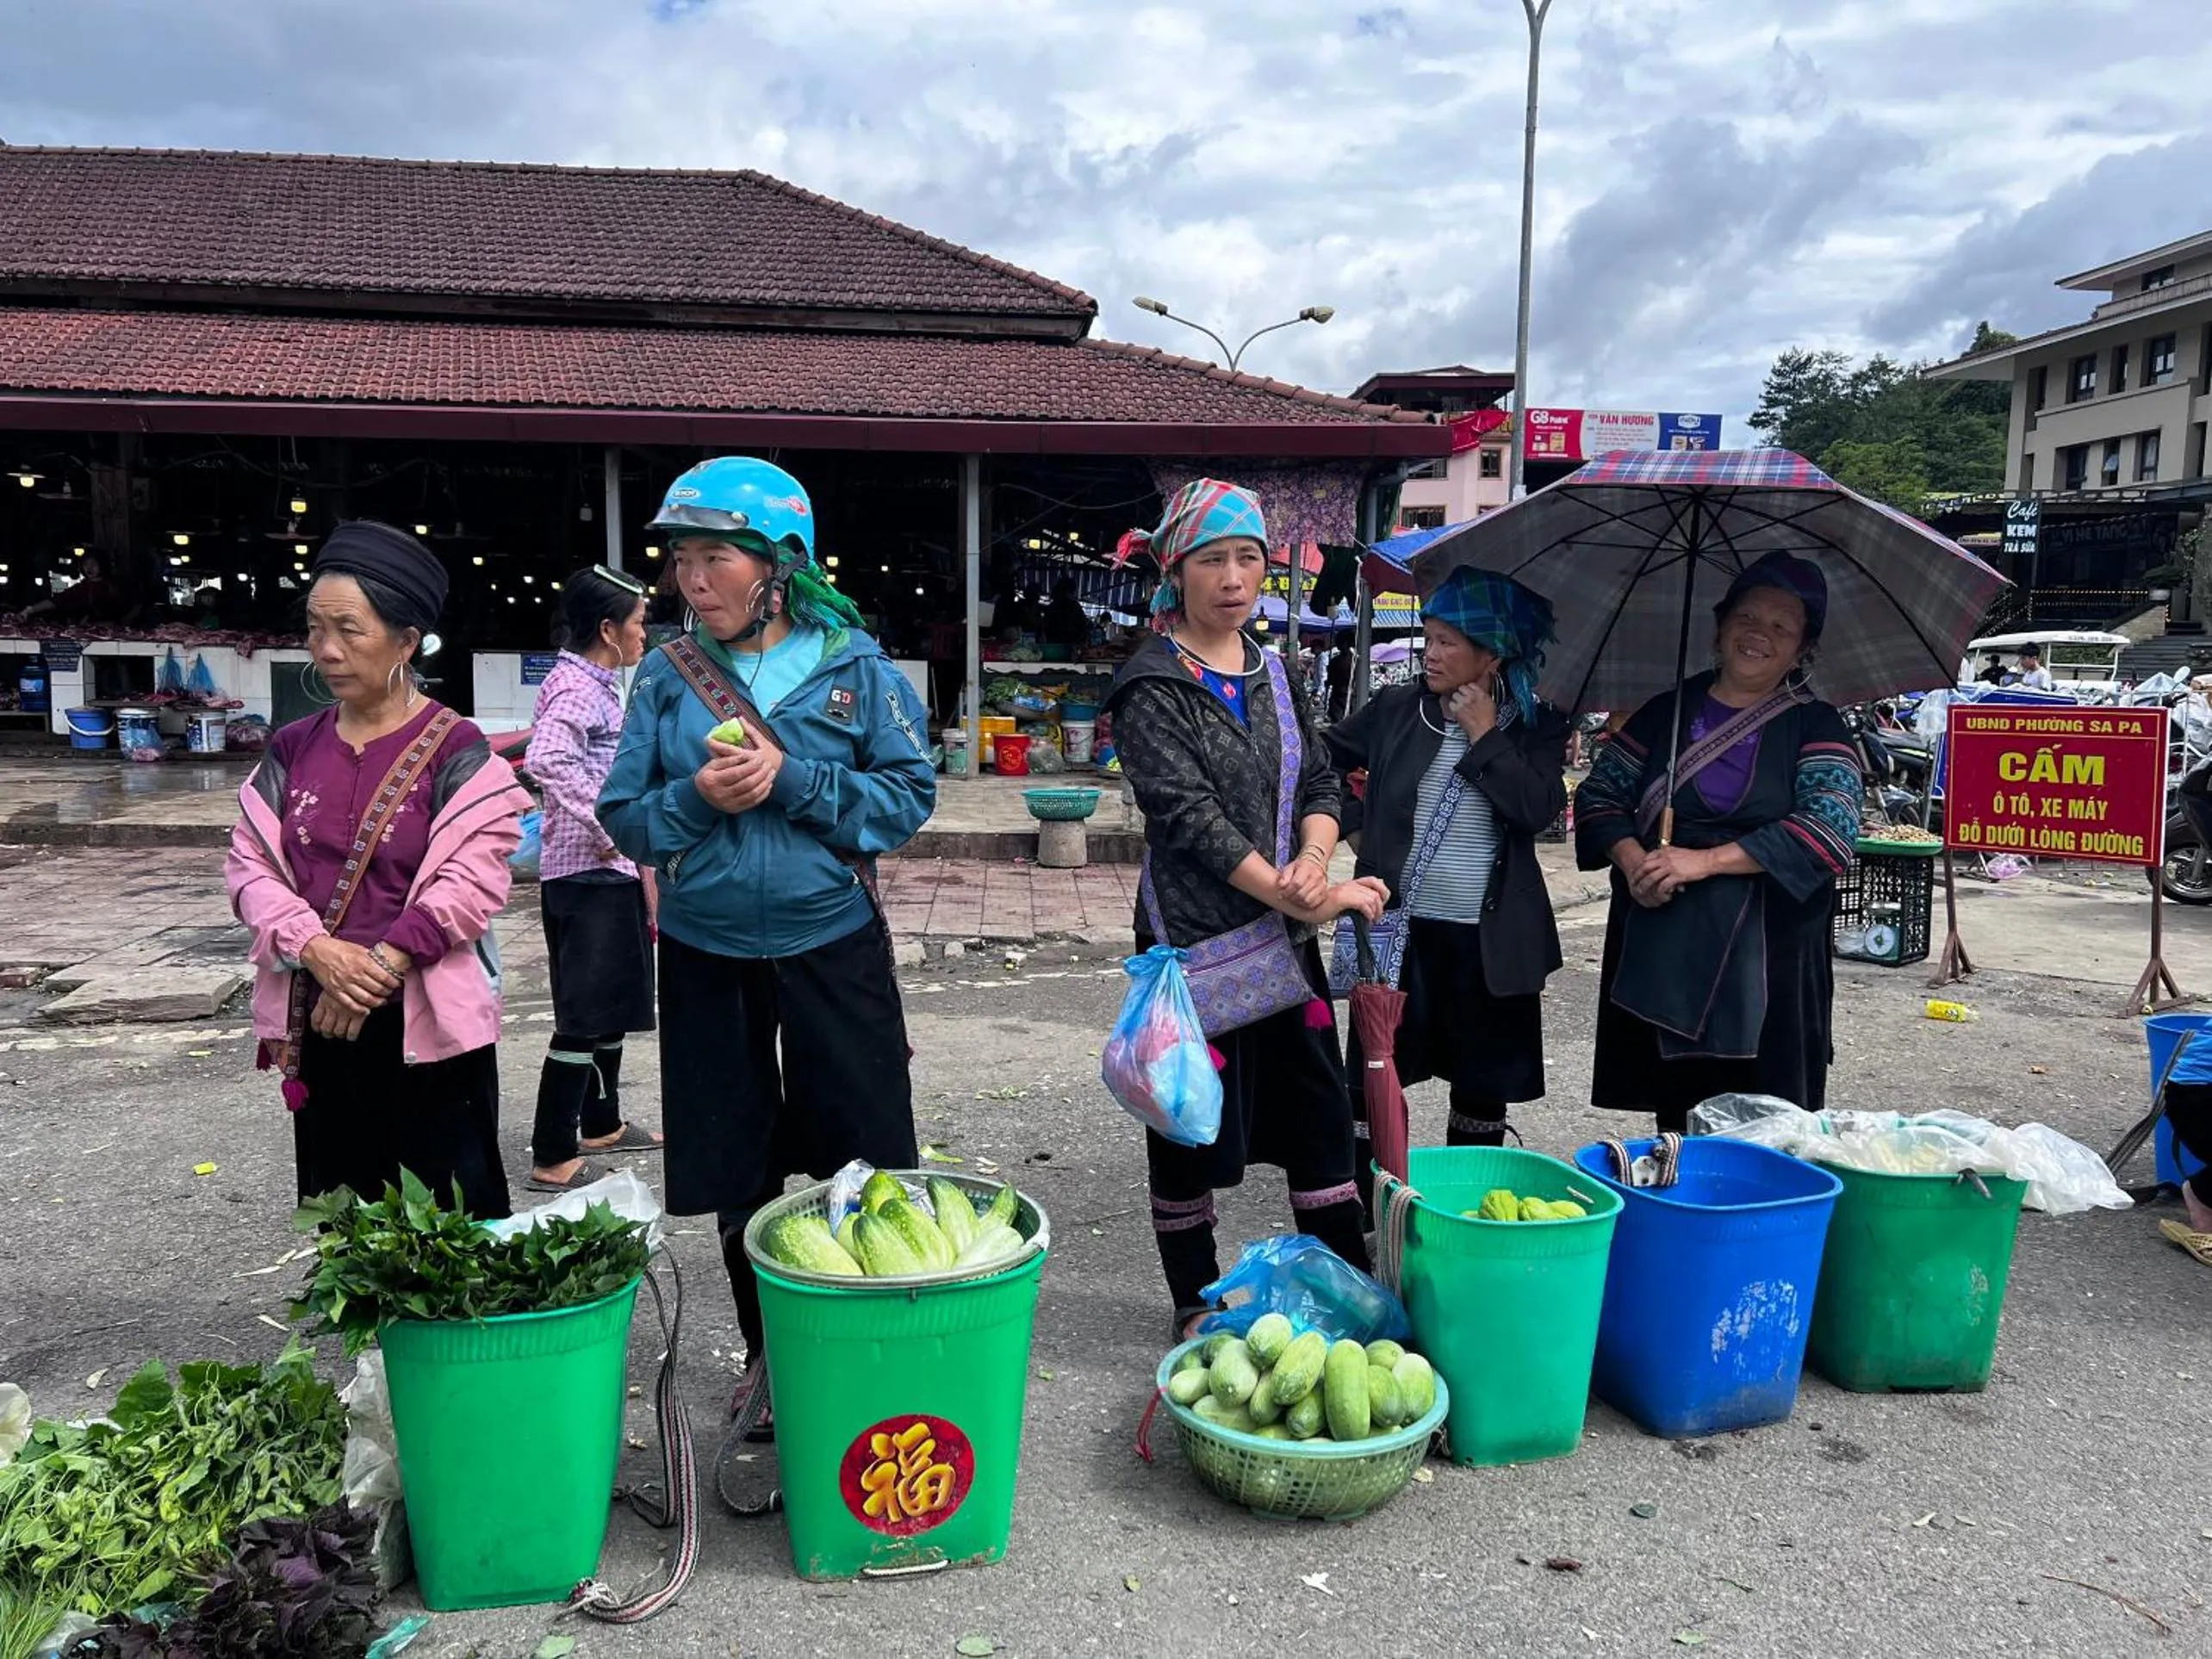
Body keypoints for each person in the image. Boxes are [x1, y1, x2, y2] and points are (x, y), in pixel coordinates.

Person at [598, 457, 935, 1446]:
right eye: (682, 559)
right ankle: (768, 1356)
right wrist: (692, 801)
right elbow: (622, 817)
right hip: (704, 953)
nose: (692, 580)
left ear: (779, 566)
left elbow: (909, 798)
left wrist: (791, 783)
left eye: (717, 558)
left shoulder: (856, 668)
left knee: (861, 1158)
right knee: (736, 1169)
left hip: (833, 946)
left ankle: (863, 1345)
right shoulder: (663, 679)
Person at [1102, 478, 1389, 1338]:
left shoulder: (1279, 671)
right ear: (1176, 571)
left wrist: (1312, 857)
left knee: (1319, 1120)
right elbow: (1188, 819)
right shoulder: (1148, 687)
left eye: (1250, 558)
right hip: (1196, 947)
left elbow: (1325, 778)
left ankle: (1348, 1293)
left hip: (1285, 941)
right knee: (1187, 1121)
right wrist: (1317, 893)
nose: (1235, 577)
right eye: (1214, 559)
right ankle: (1195, 1300)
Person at [226, 522, 528, 1215]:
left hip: (425, 1025)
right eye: (314, 628)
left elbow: (473, 882)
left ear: (406, 640)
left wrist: (377, 969)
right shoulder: (294, 748)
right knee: (352, 1225)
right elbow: (251, 868)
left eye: (350, 630)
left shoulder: (458, 750)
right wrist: (317, 951)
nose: (326, 650)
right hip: (324, 1017)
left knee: (450, 1230)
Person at [1574, 551, 1863, 1132]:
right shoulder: (1666, 713)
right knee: (1677, 1121)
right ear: (1720, 623)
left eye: (1782, 627)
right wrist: (1635, 862)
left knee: (1766, 1126)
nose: (1759, 635)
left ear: (1804, 648)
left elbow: (1829, 830)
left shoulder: (1816, 725)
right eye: (1748, 618)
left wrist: (1704, 862)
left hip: (1769, 961)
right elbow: (1598, 797)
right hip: (1667, 947)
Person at [1327, 569, 1569, 1203]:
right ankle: (1365, 1201)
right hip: (1399, 930)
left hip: (1489, 941)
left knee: (1480, 1087)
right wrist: (1357, 832)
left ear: (1491, 654)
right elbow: (1323, 759)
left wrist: (1484, 733)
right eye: (1428, 638)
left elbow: (1537, 810)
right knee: (1372, 1078)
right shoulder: (1399, 709)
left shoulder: (1536, 724)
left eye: (1448, 642)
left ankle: (1465, 1203)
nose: (1430, 654)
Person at [524, 565, 663, 1195]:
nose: (644, 633)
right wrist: (612, 825)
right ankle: (554, 1152)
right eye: (637, 622)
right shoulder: (579, 688)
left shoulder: (594, 681)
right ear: (608, 629)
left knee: (607, 1008)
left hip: (604, 871)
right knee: (582, 1016)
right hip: (588, 874)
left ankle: (601, 1124)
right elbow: (546, 758)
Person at [20, 551, 136, 626]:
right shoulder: (82, 588)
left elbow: (133, 605)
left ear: (101, 565)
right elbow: (57, 601)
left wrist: (127, 622)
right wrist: (30, 610)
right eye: (86, 565)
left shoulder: (115, 585)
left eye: (93, 564)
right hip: (91, 634)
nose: (89, 568)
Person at [1042, 579, 1091, 649]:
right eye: (1072, 592)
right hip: (1070, 645)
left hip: (1054, 645)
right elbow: (1083, 625)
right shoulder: (1074, 606)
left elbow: (1045, 627)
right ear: (1068, 592)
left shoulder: (1051, 607)